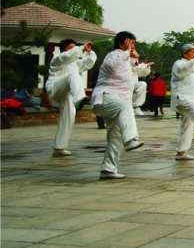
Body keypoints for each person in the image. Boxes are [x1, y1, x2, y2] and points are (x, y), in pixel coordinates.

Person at [91, 31, 145, 179]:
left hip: (116, 102)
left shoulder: (127, 61)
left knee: (115, 136)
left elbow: (138, 75)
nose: (133, 46)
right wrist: (127, 52)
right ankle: (131, 139)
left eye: (133, 44)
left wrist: (137, 61)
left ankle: (108, 169)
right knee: (125, 106)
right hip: (105, 98)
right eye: (130, 43)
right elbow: (112, 65)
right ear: (122, 43)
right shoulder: (113, 55)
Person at [46, 39, 97, 157]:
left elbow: (88, 63)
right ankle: (80, 99)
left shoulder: (75, 64)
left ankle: (59, 147)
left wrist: (89, 52)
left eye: (75, 47)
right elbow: (68, 56)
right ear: (64, 49)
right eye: (71, 47)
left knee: (69, 114)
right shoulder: (57, 59)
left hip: (66, 93)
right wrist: (80, 48)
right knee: (73, 75)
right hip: (55, 88)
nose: (74, 49)